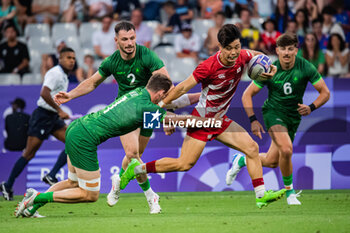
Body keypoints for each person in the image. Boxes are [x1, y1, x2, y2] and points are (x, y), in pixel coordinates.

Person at [120, 24, 286, 209]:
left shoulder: (242, 56)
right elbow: (182, 88)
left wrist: (268, 65)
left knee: (252, 148)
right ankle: (137, 169)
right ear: (220, 47)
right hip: (202, 120)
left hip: (221, 120)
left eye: (237, 47)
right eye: (229, 49)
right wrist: (159, 105)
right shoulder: (208, 66)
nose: (233, 53)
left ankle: (261, 195)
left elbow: (254, 54)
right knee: (184, 164)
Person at [14, 74, 212, 218]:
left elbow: (168, 111)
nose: (165, 100)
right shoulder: (147, 107)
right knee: (89, 194)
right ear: (160, 93)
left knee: (73, 183)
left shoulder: (136, 93)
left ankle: (31, 204)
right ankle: (38, 198)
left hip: (76, 128)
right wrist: (210, 122)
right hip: (85, 138)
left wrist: (198, 97)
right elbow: (175, 118)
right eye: (165, 96)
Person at [54, 21, 200, 214]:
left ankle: (119, 183)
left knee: (133, 158)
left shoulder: (146, 55)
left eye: (132, 38)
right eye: (125, 39)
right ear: (116, 41)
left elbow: (167, 86)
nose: (130, 43)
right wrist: (70, 95)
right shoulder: (112, 61)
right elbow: (92, 83)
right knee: (133, 155)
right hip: (127, 111)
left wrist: (165, 114)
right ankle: (151, 196)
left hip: (149, 109)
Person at [226, 32, 330, 205]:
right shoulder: (268, 69)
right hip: (273, 113)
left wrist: (311, 107)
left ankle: (242, 160)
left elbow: (325, 92)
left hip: (293, 117)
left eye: (290, 49)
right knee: (287, 150)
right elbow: (247, 95)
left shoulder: (306, 67)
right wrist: (253, 119)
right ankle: (290, 193)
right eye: (283, 49)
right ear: (277, 51)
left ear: (296, 50)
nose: (287, 53)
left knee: (273, 161)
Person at [0, 47, 76, 201]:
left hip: (53, 117)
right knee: (29, 153)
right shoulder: (55, 73)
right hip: (42, 115)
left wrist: (58, 112)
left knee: (73, 141)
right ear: (60, 59)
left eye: (73, 58)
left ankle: (52, 175)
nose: (71, 61)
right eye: (68, 57)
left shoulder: (65, 76)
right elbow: (44, 93)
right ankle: (7, 185)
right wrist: (59, 110)